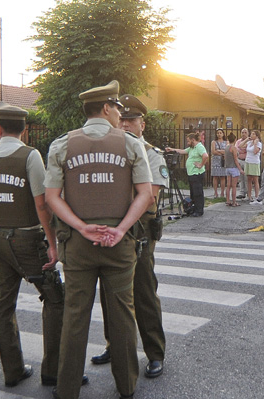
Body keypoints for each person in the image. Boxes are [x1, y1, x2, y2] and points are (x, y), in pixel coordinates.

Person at [44, 81, 153, 399]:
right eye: (118, 108)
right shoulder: (132, 144)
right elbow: (145, 194)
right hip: (119, 245)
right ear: (106, 108)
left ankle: (66, 390)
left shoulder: (61, 145)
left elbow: (52, 197)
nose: (121, 114)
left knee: (75, 316)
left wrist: (81, 226)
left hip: (78, 245)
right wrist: (120, 230)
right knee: (122, 315)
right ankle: (127, 385)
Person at [0, 102, 67, 388]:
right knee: (55, 299)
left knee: (3, 306)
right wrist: (52, 243)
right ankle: (52, 370)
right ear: (24, 130)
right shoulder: (30, 156)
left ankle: (12, 370)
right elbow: (41, 204)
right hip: (28, 240)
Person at [89, 94, 167, 378]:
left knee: (144, 292)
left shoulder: (151, 154)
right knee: (110, 293)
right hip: (114, 230)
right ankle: (116, 346)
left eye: (130, 121)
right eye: (120, 120)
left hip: (140, 233)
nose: (124, 125)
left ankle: (155, 353)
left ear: (142, 124)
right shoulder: (110, 153)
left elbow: (149, 197)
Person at [166, 132, 208, 217]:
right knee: (193, 193)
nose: (187, 143)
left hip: (197, 173)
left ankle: (199, 210)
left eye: (188, 141)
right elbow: (182, 151)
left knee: (198, 193)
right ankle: (194, 208)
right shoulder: (192, 148)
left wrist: (201, 165)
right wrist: (172, 149)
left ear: (193, 140)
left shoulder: (199, 147)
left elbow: (205, 156)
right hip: (192, 173)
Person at [224, 133, 244, 206]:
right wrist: (240, 169)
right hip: (234, 168)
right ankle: (234, 202)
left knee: (228, 185)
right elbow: (235, 159)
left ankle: (228, 200)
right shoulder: (233, 148)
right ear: (235, 139)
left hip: (227, 167)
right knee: (234, 186)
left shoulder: (226, 147)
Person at [245, 130, 262, 203]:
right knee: (249, 179)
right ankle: (249, 195)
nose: (251, 135)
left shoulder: (259, 144)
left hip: (254, 162)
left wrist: (255, 144)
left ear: (256, 136)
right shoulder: (249, 143)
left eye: (253, 134)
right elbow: (240, 146)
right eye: (251, 133)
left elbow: (255, 152)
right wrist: (246, 139)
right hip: (248, 161)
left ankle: (257, 196)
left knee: (255, 180)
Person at [210, 128, 227, 198]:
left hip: (223, 161)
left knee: (223, 177)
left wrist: (218, 151)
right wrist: (221, 152)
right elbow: (213, 151)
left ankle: (222, 192)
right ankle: (215, 192)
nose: (219, 134)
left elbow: (226, 151)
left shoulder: (226, 142)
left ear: (223, 134)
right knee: (215, 177)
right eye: (218, 133)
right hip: (215, 161)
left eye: (220, 133)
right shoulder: (213, 142)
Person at [235, 128, 249, 199]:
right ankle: (242, 192)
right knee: (240, 178)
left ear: (248, 133)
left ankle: (248, 192)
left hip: (247, 161)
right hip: (239, 160)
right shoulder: (238, 141)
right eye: (242, 132)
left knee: (247, 178)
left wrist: (242, 149)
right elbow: (237, 149)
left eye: (245, 132)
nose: (243, 134)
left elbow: (247, 150)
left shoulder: (249, 141)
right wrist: (243, 149)